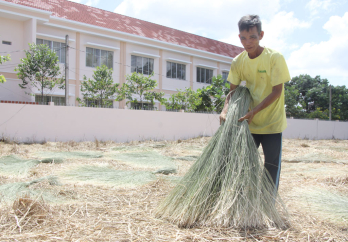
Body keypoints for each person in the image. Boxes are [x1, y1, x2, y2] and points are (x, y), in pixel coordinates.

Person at [219, 14, 291, 192]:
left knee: (271, 166)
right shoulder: (238, 61)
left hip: (272, 123)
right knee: (244, 164)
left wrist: (255, 111)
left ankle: (267, 205)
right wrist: (225, 109)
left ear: (261, 35)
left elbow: (277, 91)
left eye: (252, 37)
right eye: (244, 38)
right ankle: (245, 200)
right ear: (239, 37)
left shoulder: (274, 58)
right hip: (249, 123)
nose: (248, 42)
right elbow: (233, 92)